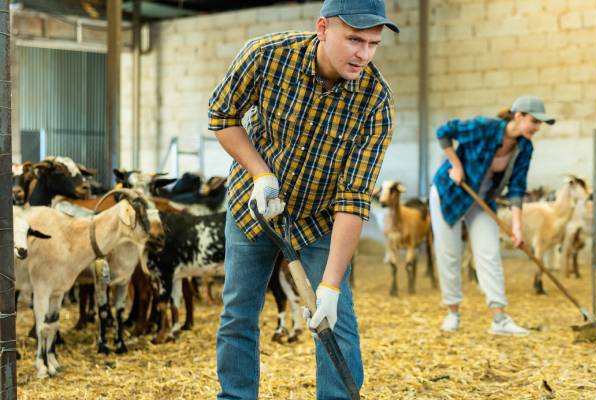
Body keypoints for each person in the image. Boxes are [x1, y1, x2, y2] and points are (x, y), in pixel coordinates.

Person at [208, 1, 398, 398]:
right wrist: (261, 173)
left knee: (337, 318)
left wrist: (328, 287)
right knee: (239, 311)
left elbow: (354, 196)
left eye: (373, 43)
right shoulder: (266, 56)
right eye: (354, 39)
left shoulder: (375, 103)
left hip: (320, 219)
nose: (363, 54)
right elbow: (222, 116)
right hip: (254, 208)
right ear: (323, 28)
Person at [429, 95, 555, 336]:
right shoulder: (483, 127)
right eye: (534, 121)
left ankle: (499, 319)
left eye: (540, 124)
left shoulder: (524, 147)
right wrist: (456, 165)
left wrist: (517, 228)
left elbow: (517, 187)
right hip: (451, 192)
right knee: (450, 252)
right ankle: (452, 313)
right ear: (518, 116)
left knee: (489, 252)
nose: (537, 128)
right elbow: (444, 131)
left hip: (482, 199)